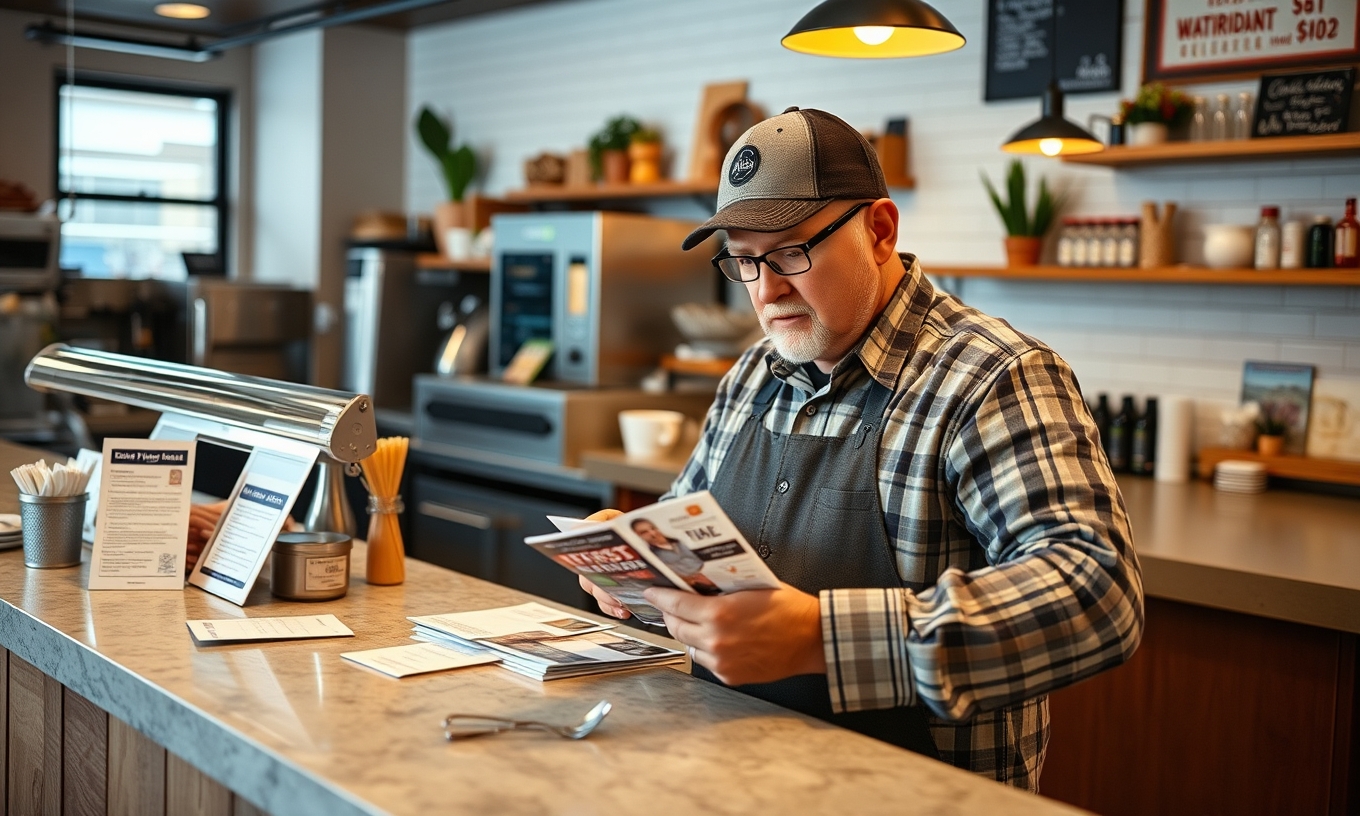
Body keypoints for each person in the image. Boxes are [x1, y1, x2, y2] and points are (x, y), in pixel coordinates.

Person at [579, 107, 1143, 791]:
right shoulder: (754, 375)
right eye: (745, 260)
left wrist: (821, 636)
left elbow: (1097, 591)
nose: (767, 288)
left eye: (791, 251)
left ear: (879, 230)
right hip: (732, 781)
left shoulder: (992, 376)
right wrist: (631, 566)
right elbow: (690, 556)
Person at [628, 517, 722, 595]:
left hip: (715, 574)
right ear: (638, 536)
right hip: (694, 588)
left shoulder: (681, 541)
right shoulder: (652, 556)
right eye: (644, 532)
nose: (653, 533)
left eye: (653, 528)